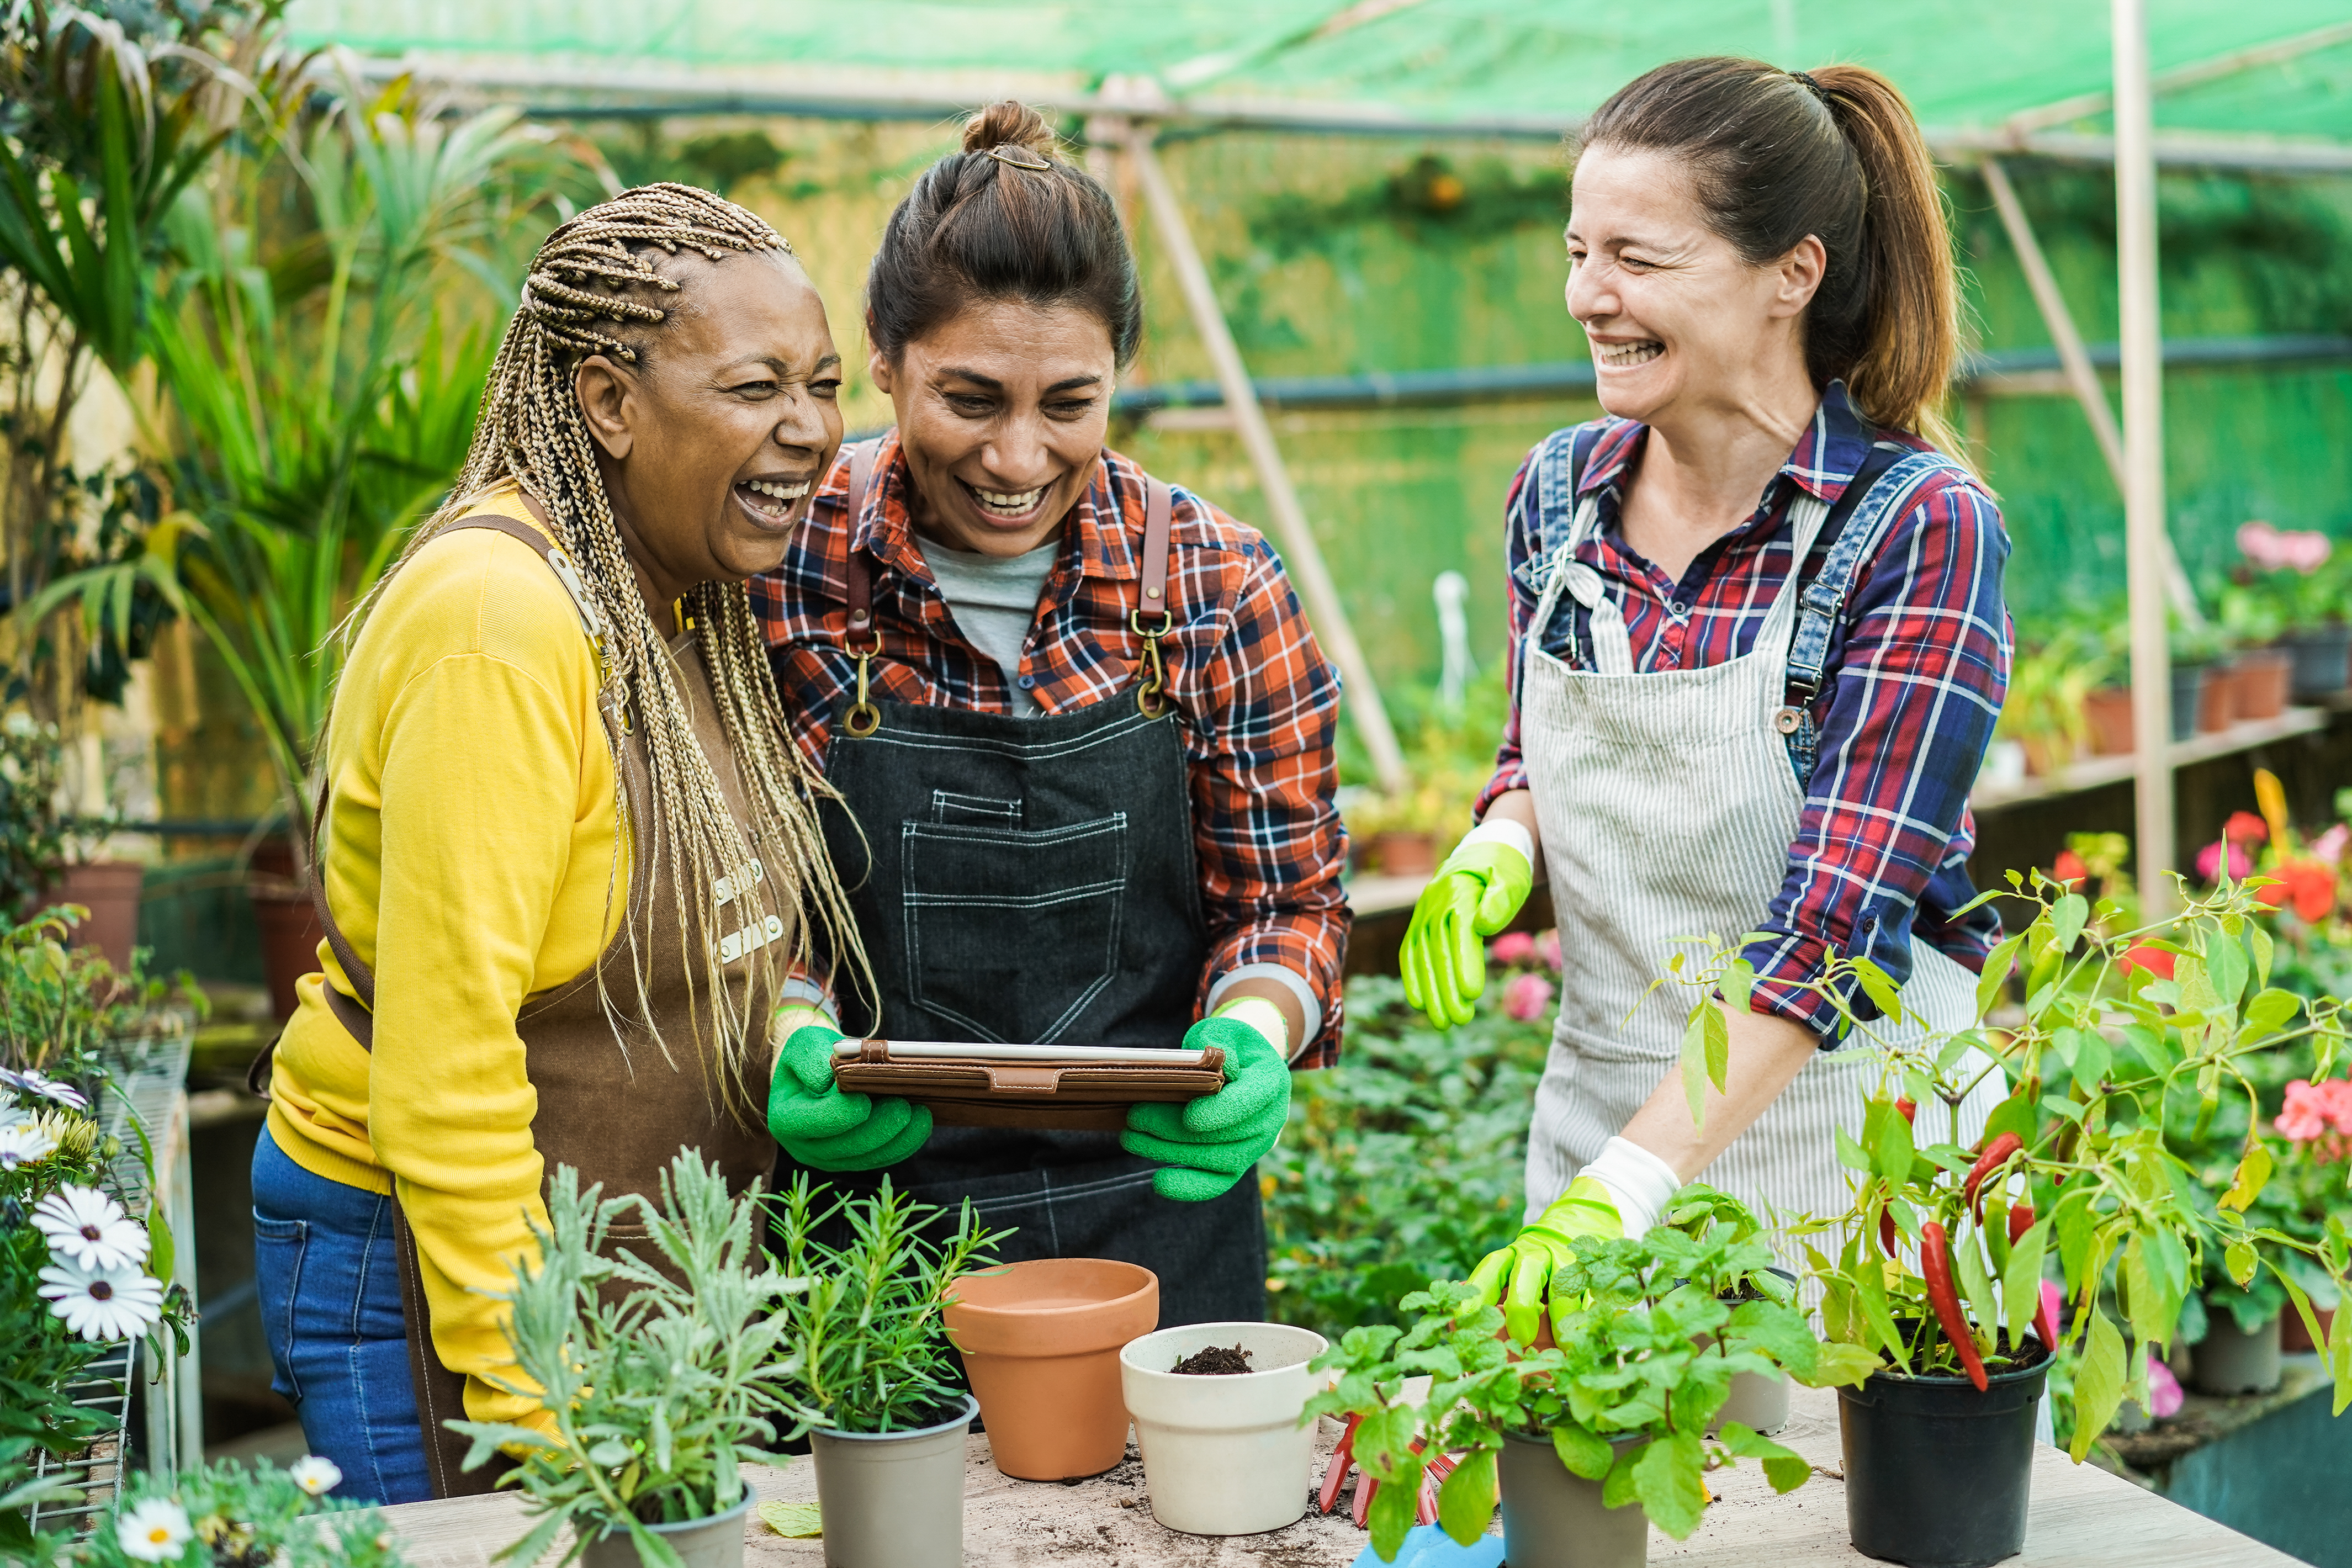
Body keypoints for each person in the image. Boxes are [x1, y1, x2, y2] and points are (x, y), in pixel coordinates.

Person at [252, 186, 862, 1501]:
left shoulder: (679, 591)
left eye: (822, 382)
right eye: (756, 384)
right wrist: (546, 1409)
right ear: (607, 404)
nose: (810, 428)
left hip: (614, 1256)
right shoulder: (502, 624)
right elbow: (448, 1067)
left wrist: (793, 1034)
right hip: (429, 1263)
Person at [1398, 59, 2012, 1341]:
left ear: (1791, 273)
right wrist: (1495, 847)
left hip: (1854, 1163)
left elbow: (1839, 925)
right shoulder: (1556, 494)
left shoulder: (1917, 529)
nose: (1587, 297)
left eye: (1637, 256)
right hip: (1603, 1126)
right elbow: (1534, 752)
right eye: (1578, 251)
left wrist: (1624, 1190)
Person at [753, 102, 1348, 1327]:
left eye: (1069, 403)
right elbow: (718, 896)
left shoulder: (1215, 589)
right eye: (970, 399)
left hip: (1157, 1218)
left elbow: (1285, 904)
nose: (1019, 458)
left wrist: (1255, 1027)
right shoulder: (778, 574)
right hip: (864, 1233)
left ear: (1119, 373)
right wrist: (784, 1026)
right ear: (882, 356)